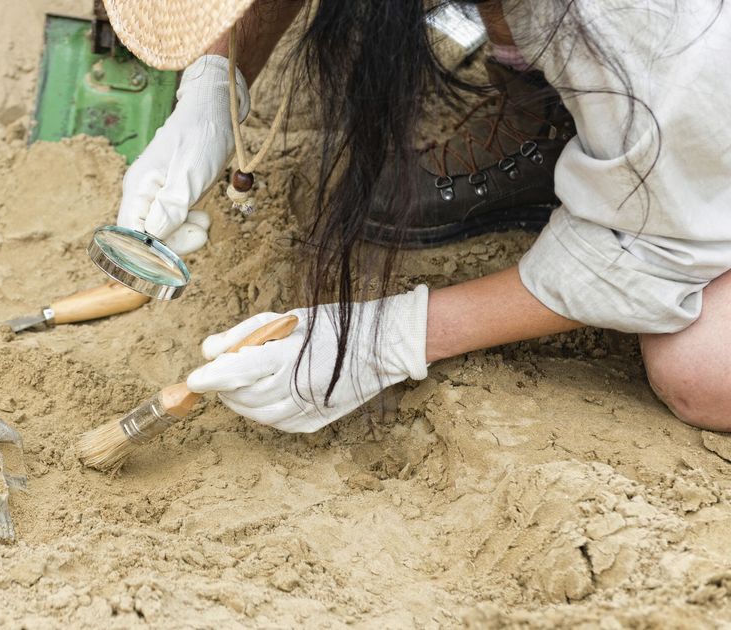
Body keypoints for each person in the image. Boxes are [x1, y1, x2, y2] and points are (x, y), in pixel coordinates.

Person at [102, 0, 731, 432]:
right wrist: (216, 83)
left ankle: (621, 137)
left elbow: (657, 249)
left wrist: (394, 337)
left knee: (704, 369)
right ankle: (577, 123)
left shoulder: (644, 24)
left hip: (695, 81)